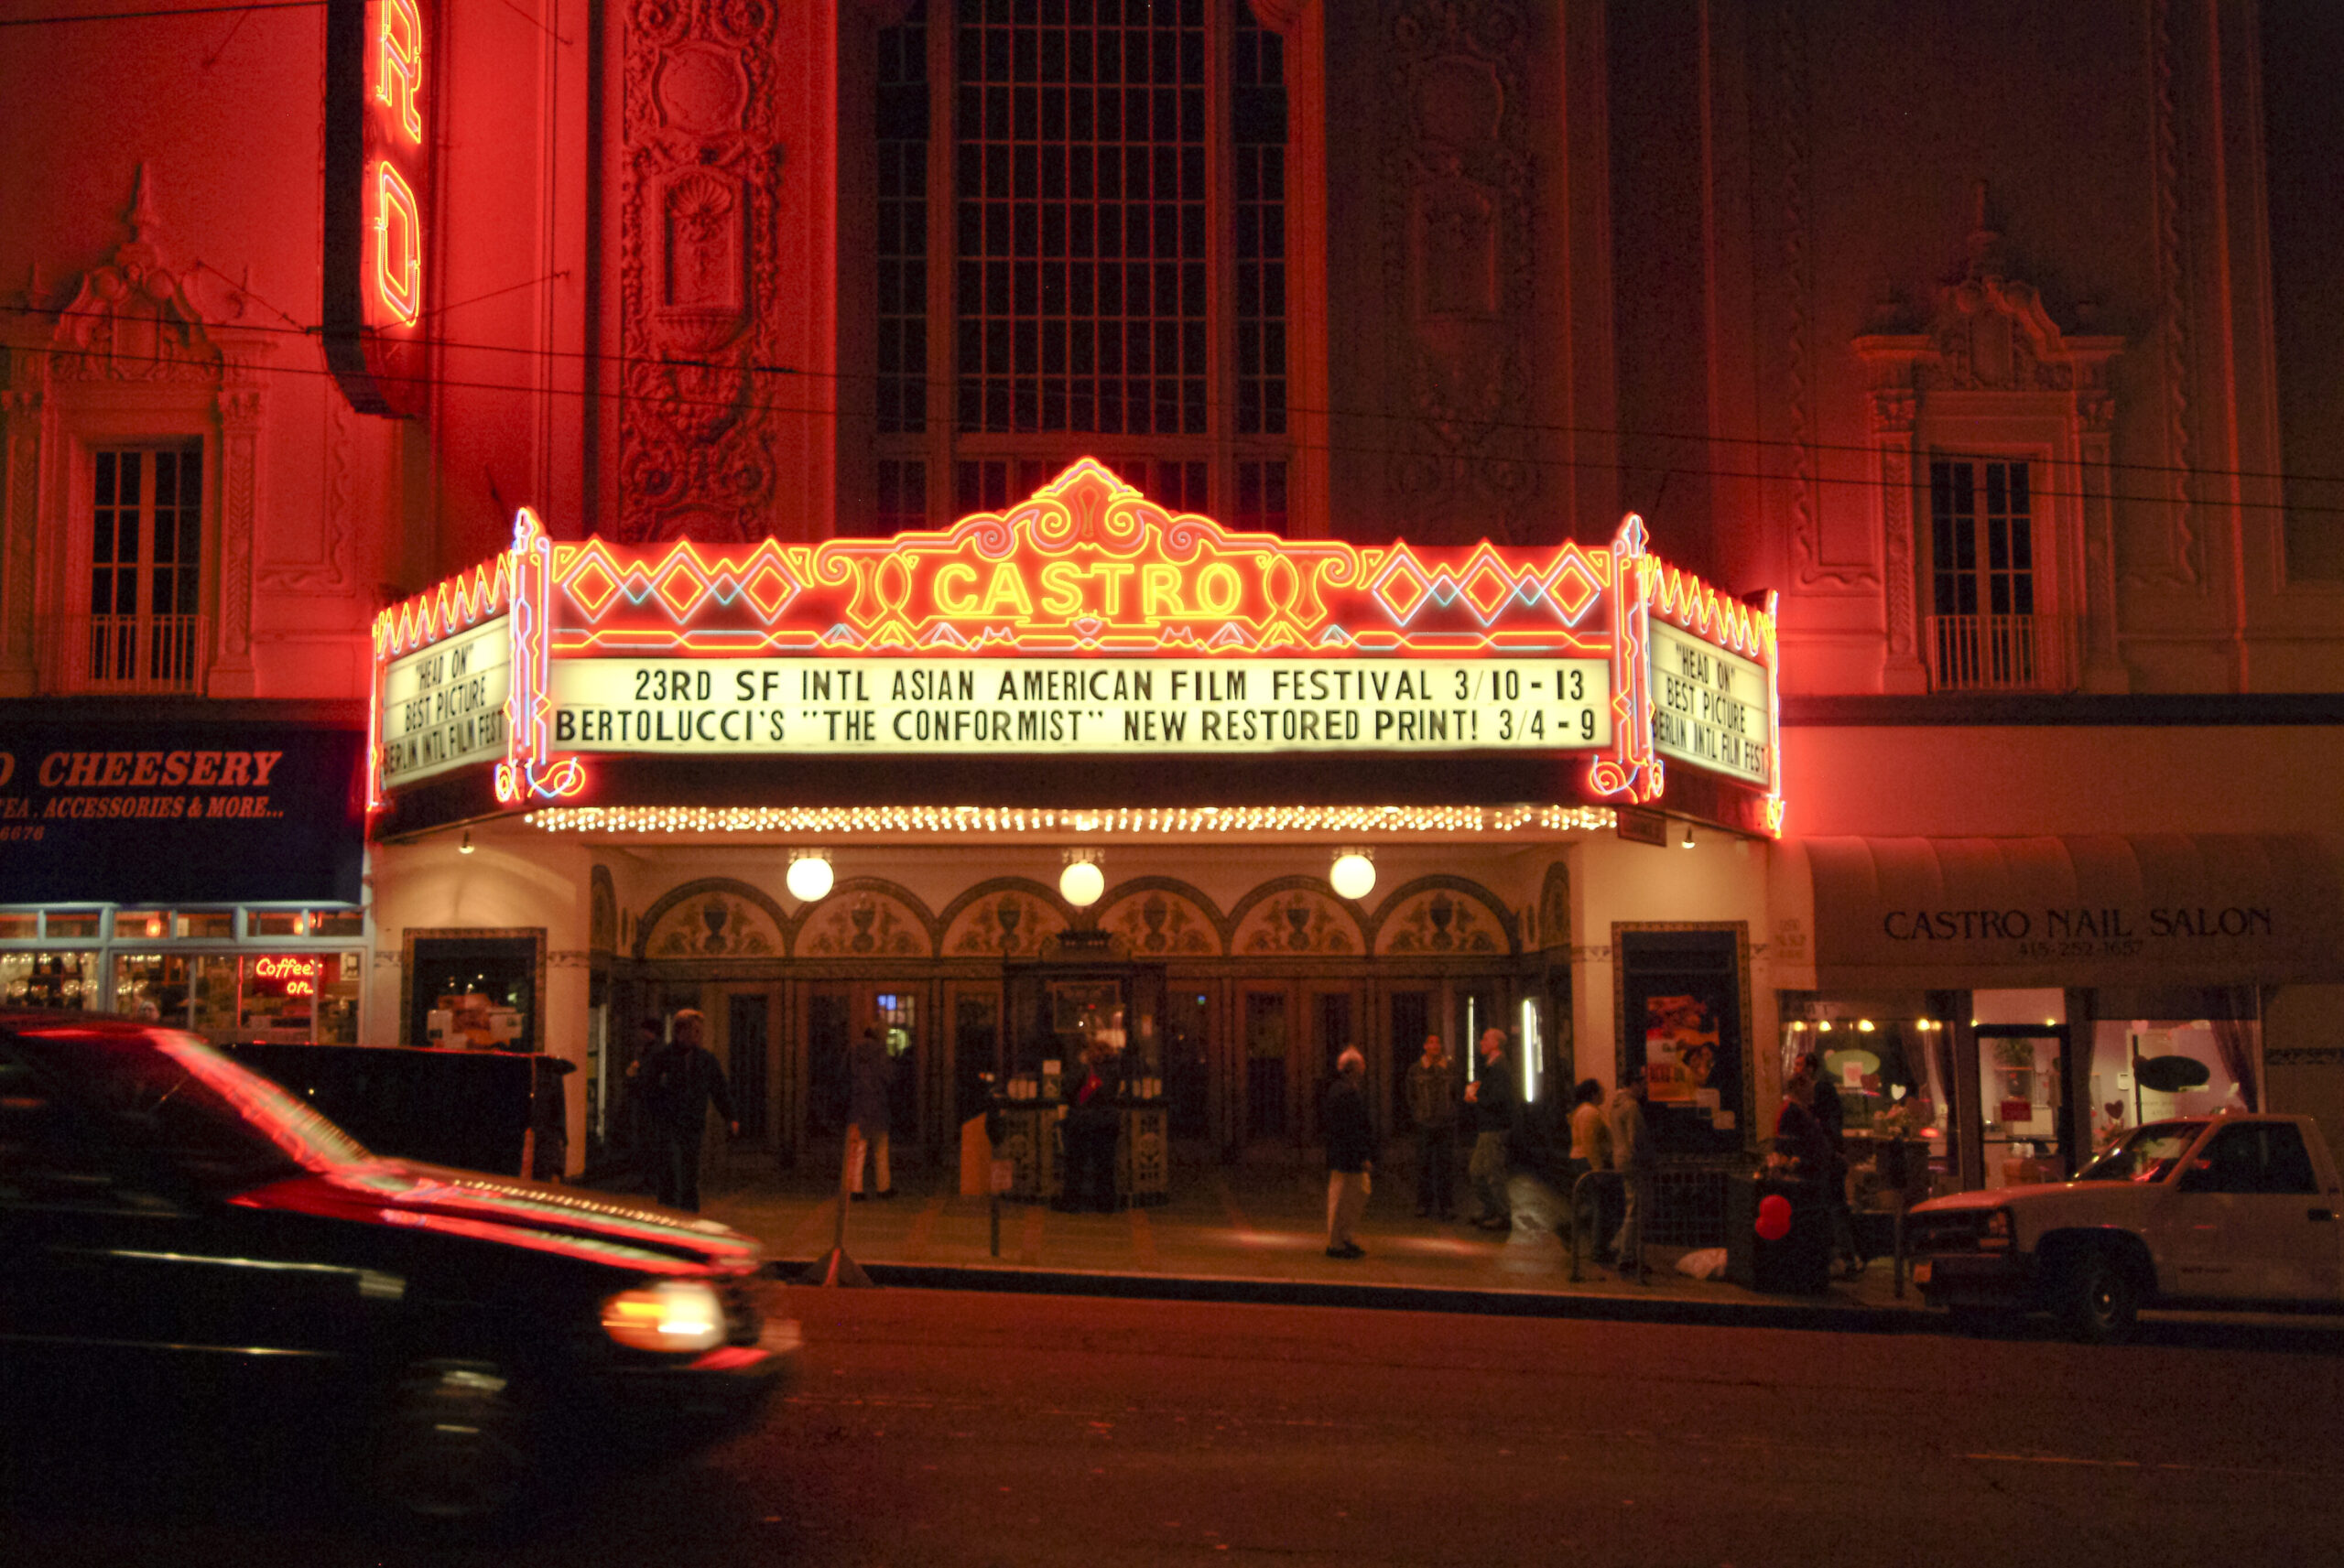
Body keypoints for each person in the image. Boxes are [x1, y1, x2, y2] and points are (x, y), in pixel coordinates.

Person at [636, 1010, 737, 1212]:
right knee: (670, 1171)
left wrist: (731, 1116)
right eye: (695, 1031)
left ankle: (689, 1213)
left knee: (690, 1173)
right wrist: (655, 1117)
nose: (699, 1036)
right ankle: (669, 1212)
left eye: (700, 1031)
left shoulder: (705, 1060)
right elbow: (648, 1091)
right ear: (680, 1031)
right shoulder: (662, 1058)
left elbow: (719, 1089)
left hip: (693, 1123)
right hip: (668, 1124)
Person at [1807, 1052, 1861, 1274]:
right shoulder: (1826, 1092)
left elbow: (1827, 1127)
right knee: (1836, 1207)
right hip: (1832, 1159)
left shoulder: (1820, 1092)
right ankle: (1846, 1257)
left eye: (1800, 1065)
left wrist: (1830, 1152)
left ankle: (1845, 1258)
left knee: (1834, 1208)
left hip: (1827, 1161)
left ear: (1810, 1068)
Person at [1461, 1027, 1517, 1232]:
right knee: (1477, 1171)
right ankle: (1491, 1209)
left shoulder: (1500, 1067)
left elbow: (1499, 1098)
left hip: (1494, 1128)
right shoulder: (1492, 1066)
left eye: (1485, 1039)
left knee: (1493, 1172)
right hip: (1488, 1127)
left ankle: (1502, 1215)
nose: (1482, 1043)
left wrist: (1476, 1097)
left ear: (1495, 1044)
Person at [1323, 1047, 1373, 1259]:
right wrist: (1362, 1155)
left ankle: (1344, 1238)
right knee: (1343, 1198)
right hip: (1347, 1156)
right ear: (1353, 1068)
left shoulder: (1340, 1089)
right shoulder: (1346, 1092)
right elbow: (1352, 1128)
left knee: (1353, 1196)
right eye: (1361, 1064)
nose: (1364, 1068)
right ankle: (1337, 1242)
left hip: (1345, 1154)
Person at [1059, 1043, 1120, 1212]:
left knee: (1076, 1164)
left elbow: (1068, 1088)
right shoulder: (1115, 1071)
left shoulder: (1084, 1069)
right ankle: (1106, 1204)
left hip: (1083, 1121)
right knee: (1105, 1166)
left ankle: (1072, 1203)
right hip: (1107, 1121)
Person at [1404, 1034, 1458, 1219]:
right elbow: (1410, 1095)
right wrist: (1418, 1113)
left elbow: (1456, 1092)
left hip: (1445, 1124)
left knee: (1445, 1165)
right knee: (1424, 1165)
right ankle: (1424, 1204)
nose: (1435, 1046)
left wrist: (1451, 1111)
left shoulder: (1449, 1068)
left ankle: (1446, 1205)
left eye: (1438, 1042)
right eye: (1431, 1043)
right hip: (1424, 1123)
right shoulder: (1416, 1070)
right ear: (1425, 1046)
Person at [1607, 1075, 1652, 1281]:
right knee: (1636, 1208)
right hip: (1633, 1162)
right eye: (1642, 1084)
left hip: (1619, 1158)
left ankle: (1621, 1246)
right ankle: (1627, 1254)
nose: (1644, 1088)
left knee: (1631, 1205)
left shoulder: (1615, 1105)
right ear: (1633, 1084)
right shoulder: (1631, 1106)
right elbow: (1637, 1138)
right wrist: (1644, 1159)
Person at [844, 1027, 895, 1200]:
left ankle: (856, 1189)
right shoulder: (881, 1053)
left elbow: (844, 1076)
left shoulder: (853, 1052)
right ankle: (884, 1187)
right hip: (878, 1104)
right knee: (881, 1149)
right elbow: (889, 1077)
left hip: (858, 1106)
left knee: (858, 1150)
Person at [1567, 1077, 1614, 1261]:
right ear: (1593, 1094)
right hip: (1587, 1161)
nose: (1604, 1094)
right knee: (1599, 1206)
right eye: (1601, 1090)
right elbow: (1590, 1143)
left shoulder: (1584, 1111)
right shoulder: (1589, 1113)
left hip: (1582, 1160)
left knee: (1595, 1205)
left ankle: (1593, 1244)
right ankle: (1598, 1248)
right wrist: (1598, 1169)